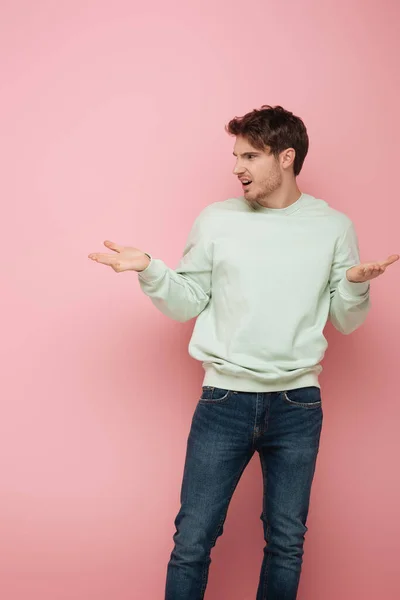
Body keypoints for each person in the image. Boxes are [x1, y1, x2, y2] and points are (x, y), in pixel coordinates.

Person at [88, 105, 398, 599]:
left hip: (298, 405)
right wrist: (150, 269)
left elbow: (345, 319)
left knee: (287, 542)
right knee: (192, 540)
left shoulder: (333, 226)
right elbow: (188, 300)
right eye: (236, 155)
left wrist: (356, 286)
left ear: (287, 157)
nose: (238, 167)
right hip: (223, 402)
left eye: (250, 155)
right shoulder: (217, 220)